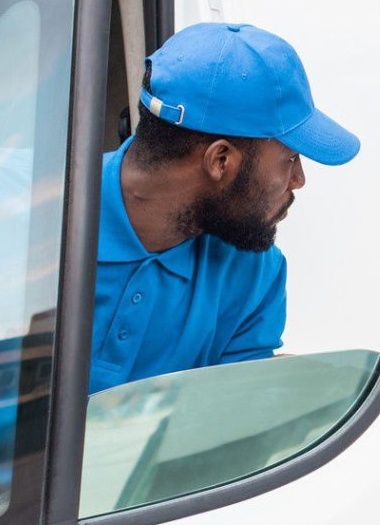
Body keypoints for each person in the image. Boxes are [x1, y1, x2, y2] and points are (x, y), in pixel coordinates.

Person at [89, 21, 360, 395]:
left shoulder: (256, 274)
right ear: (220, 161)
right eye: (291, 158)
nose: (298, 180)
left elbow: (230, 428)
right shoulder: (35, 220)